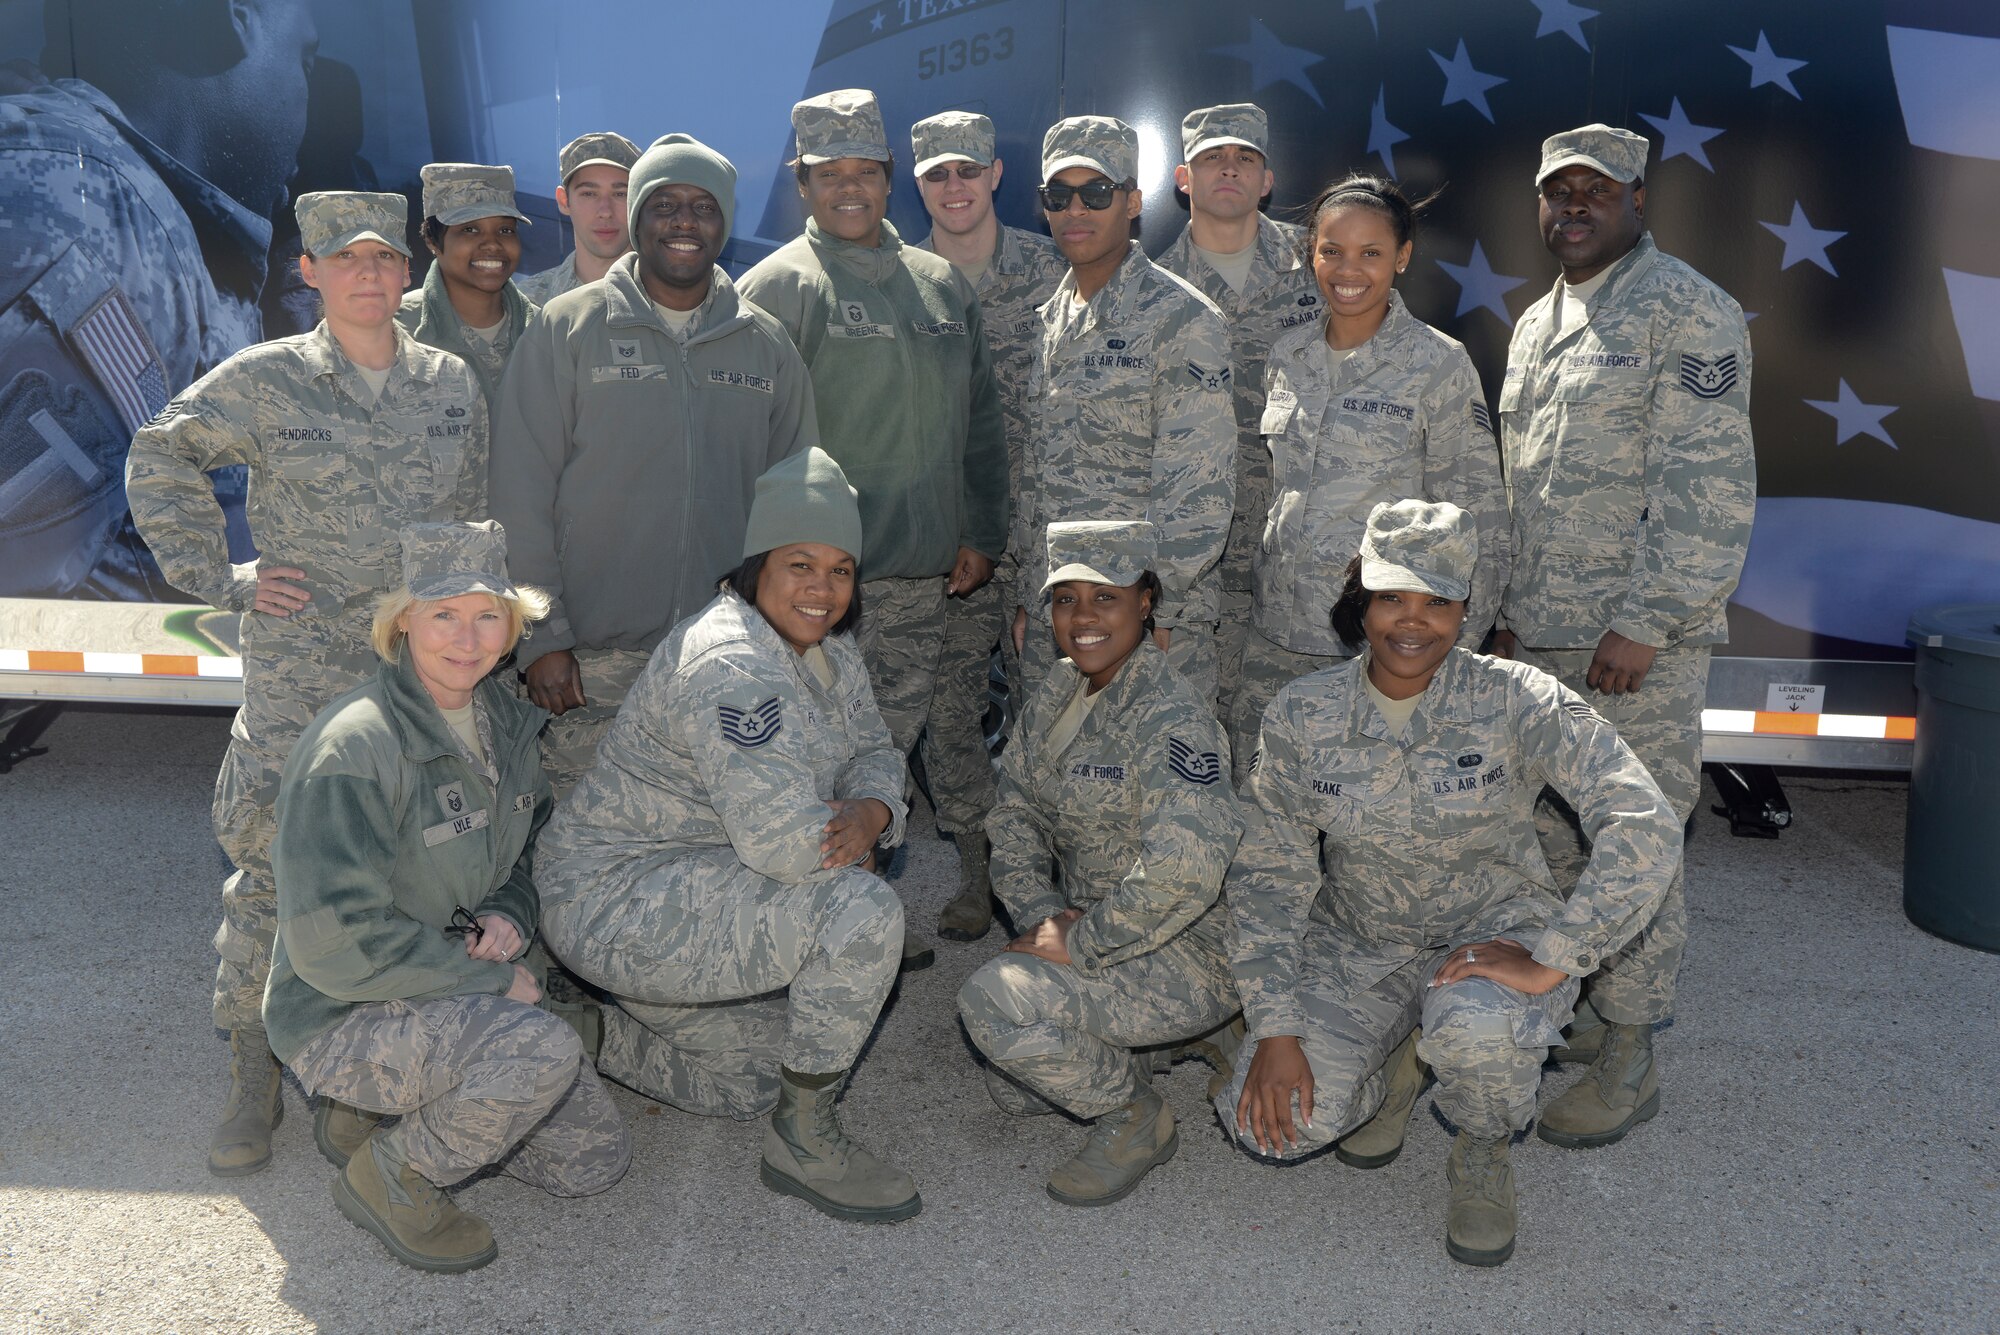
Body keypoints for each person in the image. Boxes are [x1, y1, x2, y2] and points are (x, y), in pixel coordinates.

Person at [125, 190, 489, 1178]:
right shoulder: (269, 380)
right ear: (311, 274)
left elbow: (469, 531)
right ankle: (253, 1071)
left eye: (384, 259)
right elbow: (163, 450)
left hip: (408, 682)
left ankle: (367, 1069)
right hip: (302, 677)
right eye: (346, 259)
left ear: (405, 273)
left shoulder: (452, 383)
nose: (369, 276)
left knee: (402, 869)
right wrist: (219, 575)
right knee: (272, 873)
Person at [1218, 500, 1681, 1266]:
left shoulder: (1517, 698)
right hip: (1361, 937)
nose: (1413, 620)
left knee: (1479, 1030)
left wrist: (1554, 956)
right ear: (1360, 596)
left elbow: (1644, 820)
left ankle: (1481, 1143)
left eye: (1439, 600)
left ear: (1468, 608)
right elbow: (1268, 876)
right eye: (1393, 595)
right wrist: (1273, 1025)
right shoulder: (1302, 713)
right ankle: (1400, 1062)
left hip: (1489, 934)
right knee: (1272, 1129)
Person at [534, 448, 921, 1225]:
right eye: (801, 564)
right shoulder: (734, 663)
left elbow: (879, 748)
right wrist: (860, 844)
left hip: (693, 879)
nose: (823, 589)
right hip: (615, 895)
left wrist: (874, 812)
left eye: (842, 570)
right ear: (755, 565)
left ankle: (569, 1024)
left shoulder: (826, 647)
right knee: (858, 915)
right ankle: (803, 1141)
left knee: (749, 1077)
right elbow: (789, 850)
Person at [266, 521, 629, 1273]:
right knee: (539, 1049)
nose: (468, 638)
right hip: (344, 1008)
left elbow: (527, 850)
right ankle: (391, 1174)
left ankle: (372, 1113)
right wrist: (494, 976)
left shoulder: (506, 722)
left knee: (592, 1162)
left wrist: (510, 913)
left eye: (487, 614)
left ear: (514, 624)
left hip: (443, 985)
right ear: (404, 620)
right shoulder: (354, 747)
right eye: (443, 613)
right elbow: (336, 944)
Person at [1490, 126, 1756, 1149]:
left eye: (1593, 192)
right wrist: (1505, 614)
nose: (1571, 208)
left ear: (1636, 200)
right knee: (1556, 839)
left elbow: (1708, 488)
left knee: (1633, 841)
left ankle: (1632, 1046)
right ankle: (1576, 1005)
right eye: (1555, 192)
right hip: (1542, 640)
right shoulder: (1533, 322)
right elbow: (1521, 492)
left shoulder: (1686, 310)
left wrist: (1645, 622)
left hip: (1629, 646)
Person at [739, 88, 1007, 971]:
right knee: (835, 751)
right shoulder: (776, 287)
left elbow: (980, 424)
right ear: (802, 182)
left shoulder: (939, 285)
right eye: (829, 173)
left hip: (925, 571)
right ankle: (847, 913)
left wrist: (980, 530)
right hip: (822, 585)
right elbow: (752, 442)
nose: (849, 188)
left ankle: (904, 888)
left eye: (865, 170)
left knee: (904, 737)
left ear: (890, 178)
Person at [492, 132, 817, 796]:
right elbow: (519, 493)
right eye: (665, 203)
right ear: (638, 220)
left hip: (722, 654)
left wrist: (782, 634)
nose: (684, 222)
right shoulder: (567, 329)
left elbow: (797, 506)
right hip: (590, 661)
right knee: (578, 849)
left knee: (710, 842)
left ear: (724, 224)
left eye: (703, 207)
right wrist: (542, 637)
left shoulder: (765, 345)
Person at [959, 520, 1243, 1207]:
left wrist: (1080, 942)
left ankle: (1136, 1118)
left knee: (992, 1005)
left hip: (1189, 946)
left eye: (1105, 597)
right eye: (1065, 598)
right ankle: (1158, 1045)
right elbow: (1015, 812)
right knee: (1016, 1086)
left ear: (1145, 601)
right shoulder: (1059, 691)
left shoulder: (1170, 714)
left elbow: (1187, 869)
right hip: (1095, 929)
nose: (1081, 618)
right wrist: (1041, 917)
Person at [0, 0, 316, 599]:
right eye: (307, 60)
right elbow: (24, 638)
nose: (309, 107)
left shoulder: (129, 213)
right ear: (235, 17)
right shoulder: (88, 218)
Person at [1229, 174, 1506, 783]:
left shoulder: (1438, 364)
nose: (1347, 269)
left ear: (1401, 258)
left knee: (1365, 819)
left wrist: (1453, 655)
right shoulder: (1287, 357)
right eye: (1332, 250)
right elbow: (1265, 497)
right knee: (1264, 808)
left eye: (1370, 253)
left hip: (1374, 644)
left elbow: (1479, 515)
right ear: (1312, 253)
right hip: (1273, 636)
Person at [907, 109, 1068, 944]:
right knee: (952, 706)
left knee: (1058, 707)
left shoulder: (1057, 268)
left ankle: (1056, 871)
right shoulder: (899, 278)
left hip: (1050, 535)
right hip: (960, 542)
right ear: (918, 182)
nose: (955, 187)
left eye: (968, 170)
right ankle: (977, 865)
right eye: (937, 174)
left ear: (997, 173)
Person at [1011, 115, 1235, 710]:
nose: (1076, 209)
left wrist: (1162, 610)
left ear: (1132, 202)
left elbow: (1199, 490)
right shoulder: (1051, 320)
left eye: (1098, 192)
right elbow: (1034, 475)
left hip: (1147, 621)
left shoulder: (1182, 320)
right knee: (1055, 788)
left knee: (1163, 789)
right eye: (1059, 196)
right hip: (1060, 615)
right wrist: (1028, 598)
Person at [1157, 104, 1323, 719]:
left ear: (1267, 179)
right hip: (1192, 545)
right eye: (1212, 159)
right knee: (1191, 716)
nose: (1229, 170)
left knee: (1283, 722)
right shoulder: (1152, 284)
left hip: (1294, 538)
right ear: (1183, 178)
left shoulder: (1322, 270)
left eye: (1245, 159)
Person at [396, 162, 537, 413]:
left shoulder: (545, 329)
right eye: (469, 230)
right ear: (432, 240)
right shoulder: (397, 331)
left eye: (505, 230)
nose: (492, 244)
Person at [516, 131, 640, 305]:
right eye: (589, 194)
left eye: (620, 194)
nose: (605, 211)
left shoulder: (673, 298)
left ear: (639, 201)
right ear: (564, 201)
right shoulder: (528, 303)